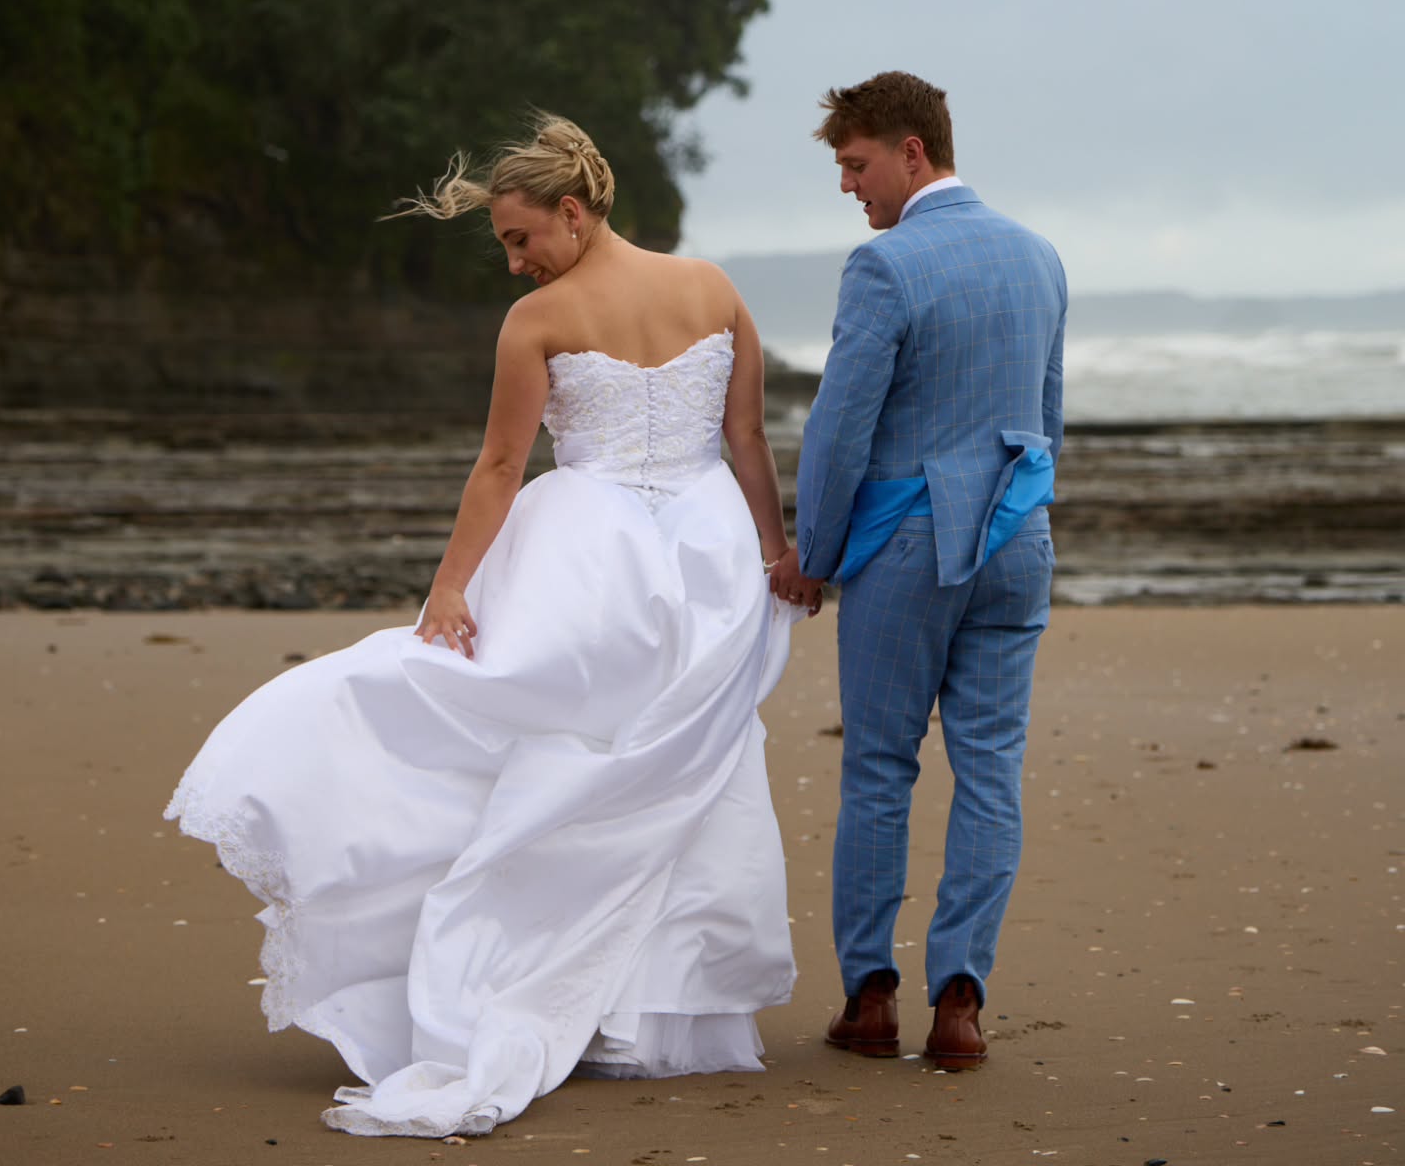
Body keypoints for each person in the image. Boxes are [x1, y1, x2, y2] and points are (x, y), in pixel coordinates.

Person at [166, 113, 800, 1139]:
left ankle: (579, 998)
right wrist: (774, 551)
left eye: (520, 239)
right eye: (504, 245)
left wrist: (451, 589)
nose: (514, 263)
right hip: (708, 552)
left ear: (573, 210)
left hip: (594, 550)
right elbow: (745, 441)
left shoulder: (538, 322)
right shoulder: (712, 289)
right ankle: (639, 1009)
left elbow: (502, 468)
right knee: (665, 767)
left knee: (572, 749)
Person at [771, 71, 1066, 1066]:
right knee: (990, 772)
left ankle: (870, 997)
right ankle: (962, 1004)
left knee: (880, 771)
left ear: (911, 152)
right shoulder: (1041, 258)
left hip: (907, 549)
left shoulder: (886, 267)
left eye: (855, 166)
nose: (849, 187)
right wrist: (1021, 513)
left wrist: (811, 558)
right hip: (1018, 544)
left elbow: (841, 430)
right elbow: (1049, 413)